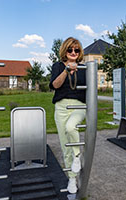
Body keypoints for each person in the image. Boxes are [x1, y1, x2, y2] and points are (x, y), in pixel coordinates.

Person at [49, 37, 86, 193]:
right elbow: (55, 85)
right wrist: (66, 70)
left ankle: (77, 156)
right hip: (61, 106)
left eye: (76, 50)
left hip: (79, 105)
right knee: (65, 145)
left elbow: (90, 89)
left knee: (71, 127)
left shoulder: (84, 68)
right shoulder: (57, 66)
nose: (73, 52)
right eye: (70, 49)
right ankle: (72, 179)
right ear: (65, 50)